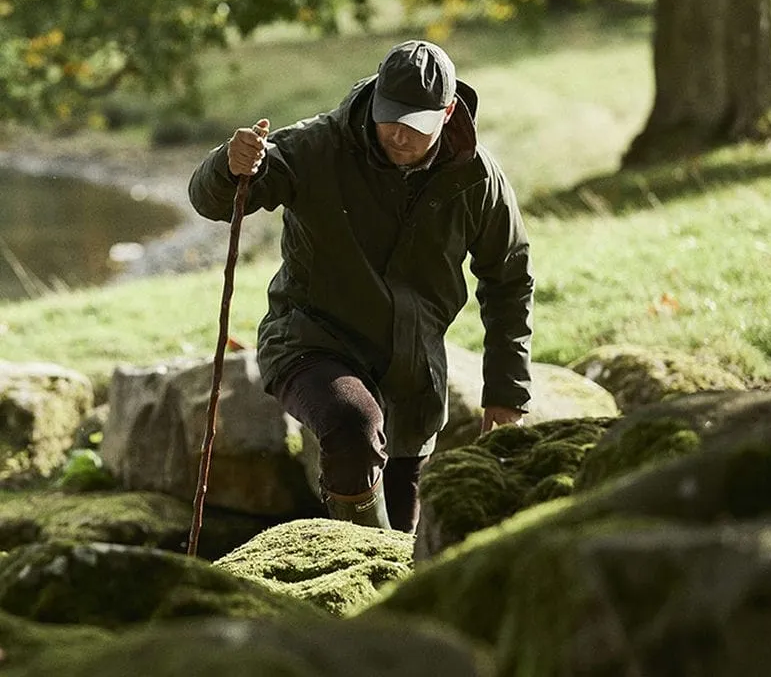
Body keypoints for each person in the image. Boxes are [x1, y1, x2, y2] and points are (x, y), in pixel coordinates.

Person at [188, 40, 534, 533]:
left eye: (415, 123)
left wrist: (506, 392)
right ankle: (356, 564)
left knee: (403, 534)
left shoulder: (477, 180)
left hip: (413, 377)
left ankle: (375, 595)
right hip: (311, 343)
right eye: (389, 115)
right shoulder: (317, 145)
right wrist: (229, 164)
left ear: (448, 110)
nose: (396, 133)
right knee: (352, 426)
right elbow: (214, 200)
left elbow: (509, 283)